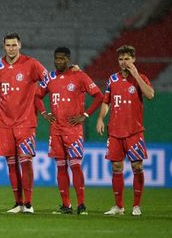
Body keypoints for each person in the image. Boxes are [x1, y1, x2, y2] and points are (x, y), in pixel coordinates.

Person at [36, 47, 103, 215]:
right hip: (56, 130)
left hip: (73, 130)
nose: (58, 61)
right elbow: (37, 96)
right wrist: (44, 113)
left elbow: (99, 96)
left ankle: (82, 205)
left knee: (75, 166)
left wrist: (85, 115)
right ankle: (66, 205)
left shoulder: (79, 76)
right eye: (56, 58)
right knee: (60, 167)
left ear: (68, 59)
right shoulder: (49, 77)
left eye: (62, 58)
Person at [0, 33, 48, 214]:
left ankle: (29, 204)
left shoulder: (32, 64)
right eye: (8, 45)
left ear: (20, 45)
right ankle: (18, 203)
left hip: (25, 121)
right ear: (3, 46)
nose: (11, 48)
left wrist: (38, 98)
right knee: (11, 163)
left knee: (26, 161)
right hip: (4, 122)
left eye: (14, 45)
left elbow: (49, 80)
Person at [96, 45, 154, 216]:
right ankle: (119, 206)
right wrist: (100, 118)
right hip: (114, 131)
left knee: (137, 166)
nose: (123, 62)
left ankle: (136, 206)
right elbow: (107, 102)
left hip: (134, 131)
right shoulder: (112, 79)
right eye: (121, 59)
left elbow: (150, 95)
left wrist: (136, 75)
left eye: (127, 59)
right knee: (116, 167)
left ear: (134, 60)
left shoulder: (141, 78)